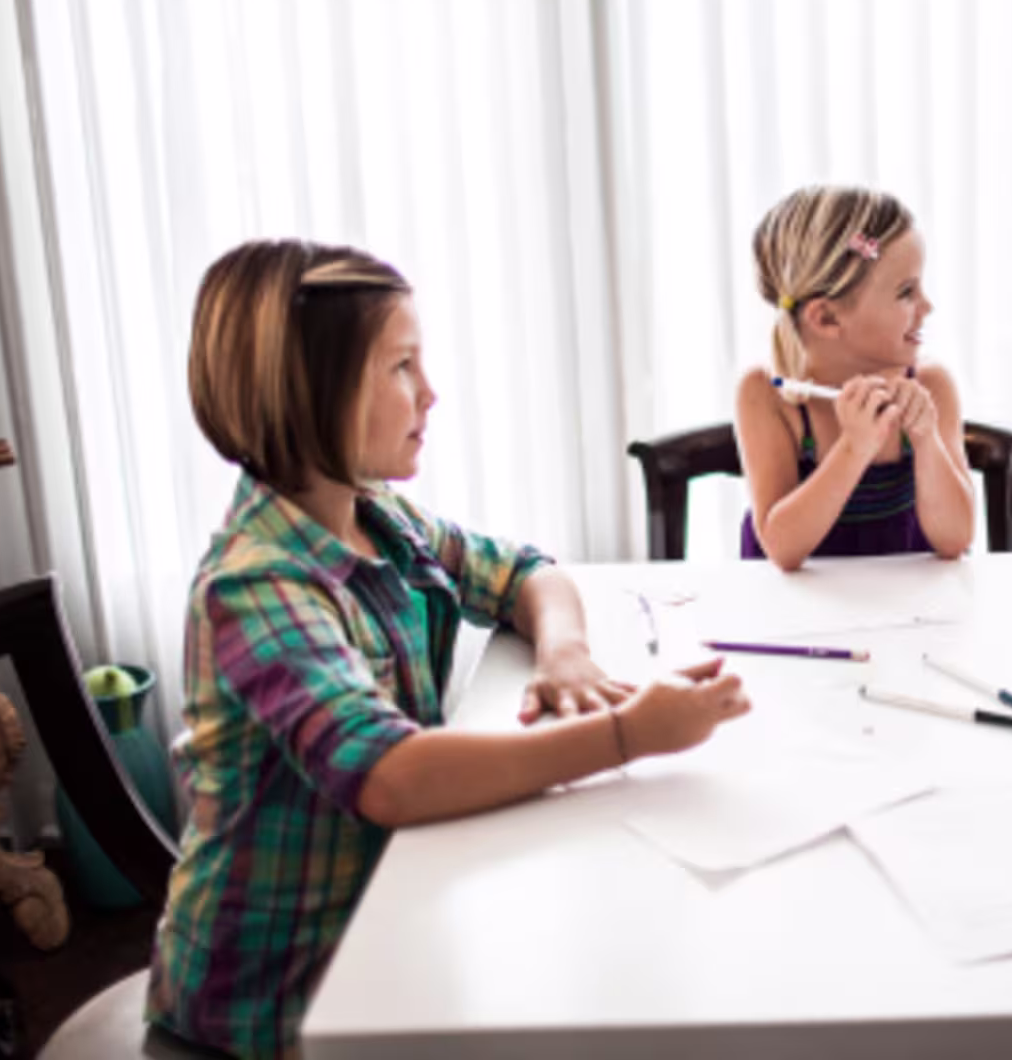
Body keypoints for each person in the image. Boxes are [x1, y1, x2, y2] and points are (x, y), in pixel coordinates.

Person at [149, 241, 750, 1057]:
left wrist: (564, 652)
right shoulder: (257, 586)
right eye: (400, 368)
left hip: (385, 923)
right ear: (309, 394)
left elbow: (527, 572)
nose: (429, 393)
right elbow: (391, 778)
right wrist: (626, 735)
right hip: (272, 1004)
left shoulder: (377, 518)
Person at [736, 186, 975, 569]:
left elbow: (955, 539)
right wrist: (855, 448)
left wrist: (926, 439)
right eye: (906, 292)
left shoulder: (931, 385)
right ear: (827, 318)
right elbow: (782, 548)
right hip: (795, 618)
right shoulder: (767, 394)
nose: (927, 306)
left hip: (906, 612)